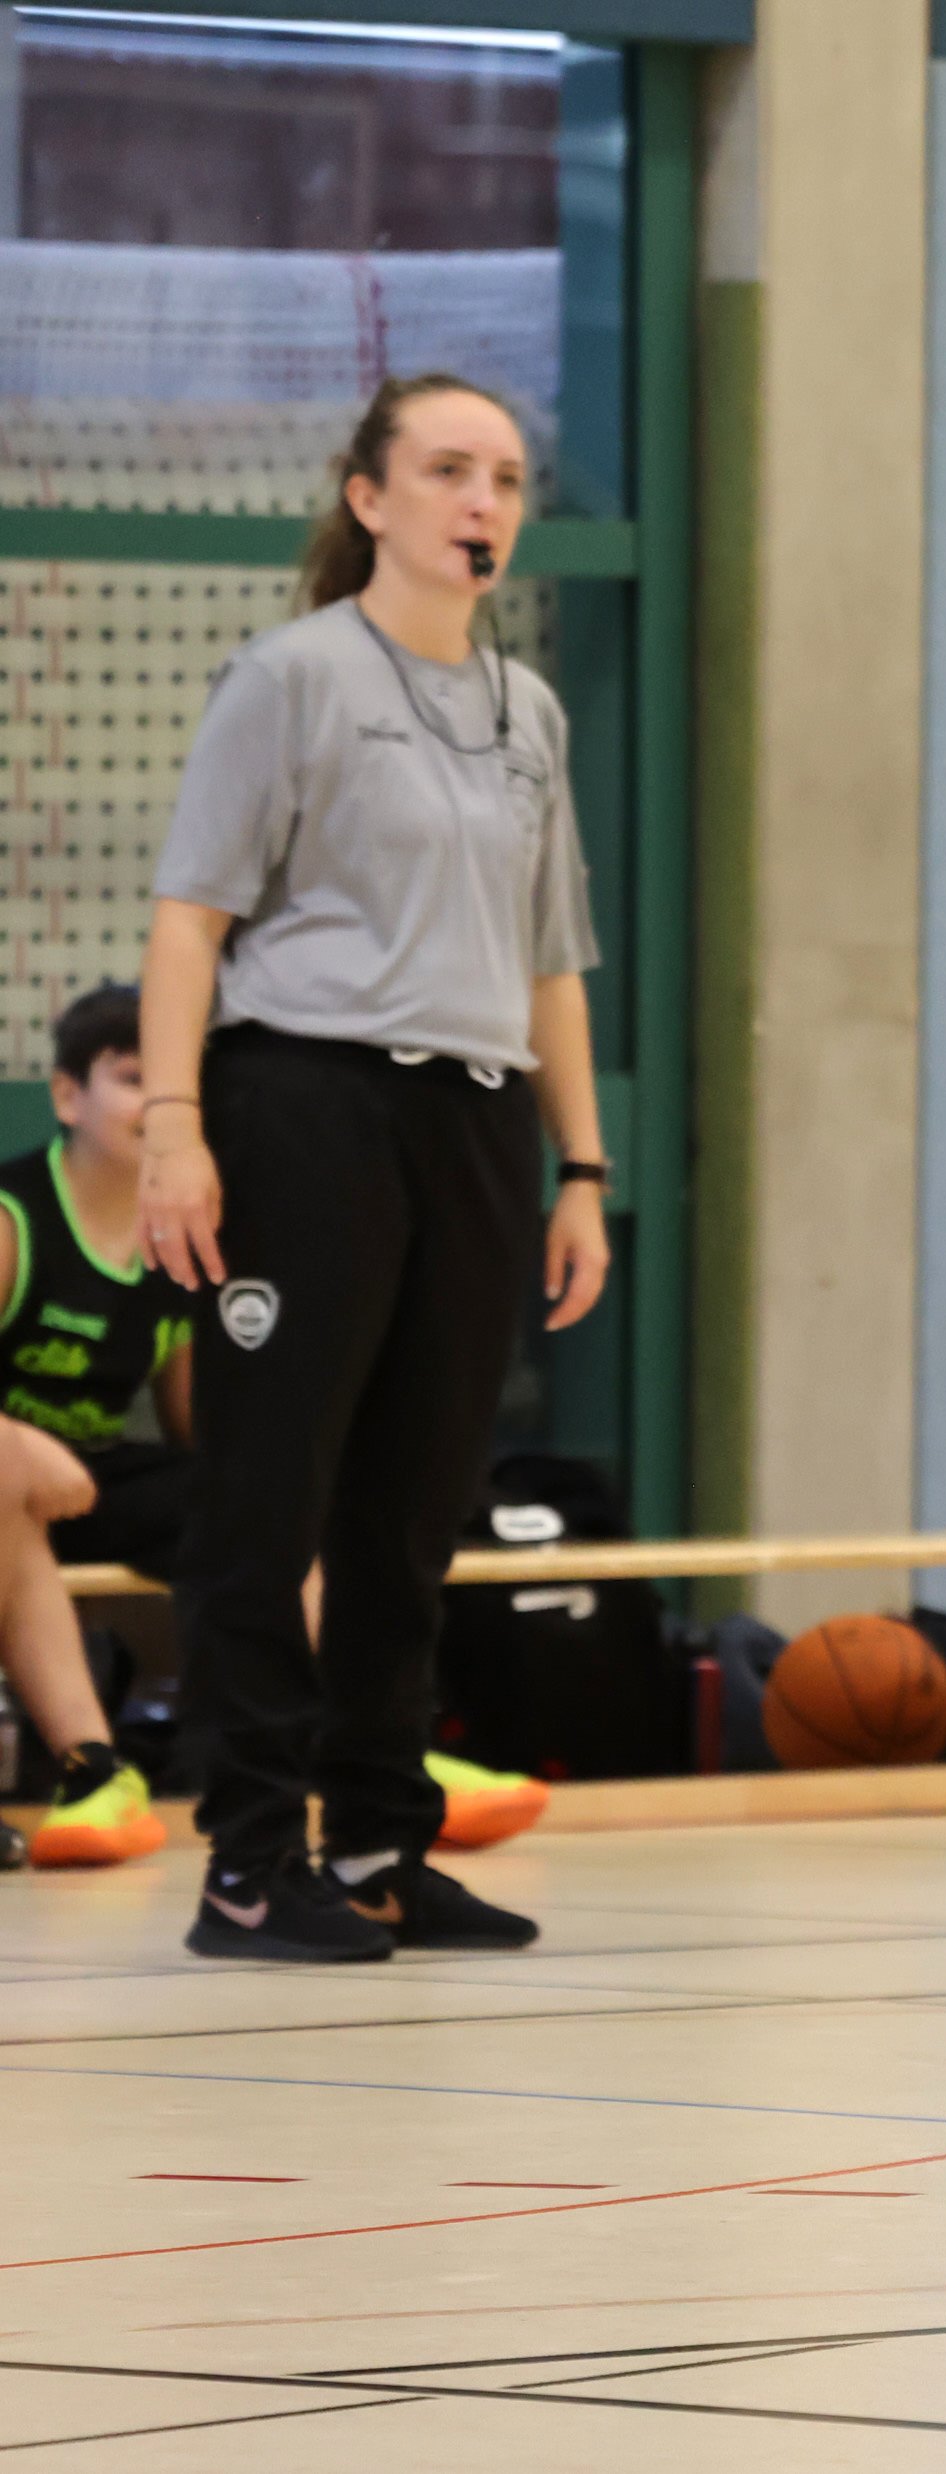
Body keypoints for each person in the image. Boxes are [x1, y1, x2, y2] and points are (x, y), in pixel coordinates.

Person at [143, 370, 613, 1962]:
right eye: (449, 470)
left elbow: (551, 964)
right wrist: (176, 1125)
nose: (484, 503)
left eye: (506, 478)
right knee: (266, 1496)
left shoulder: (530, 712)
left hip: (474, 1118)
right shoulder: (289, 677)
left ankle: (378, 1845)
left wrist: (581, 1168)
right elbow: (190, 920)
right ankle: (246, 1861)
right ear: (369, 498)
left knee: (414, 1507)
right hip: (304, 1106)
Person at [0, 987, 190, 1869]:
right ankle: (93, 1771)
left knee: (256, 1500)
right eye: (136, 1079)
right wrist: (16, 1442)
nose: (161, 1106)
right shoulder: (14, 1219)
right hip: (12, 1482)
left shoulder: (181, 1240)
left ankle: (373, 1750)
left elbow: (195, 1427)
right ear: (70, 1096)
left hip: (90, 1482)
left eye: (179, 1085)